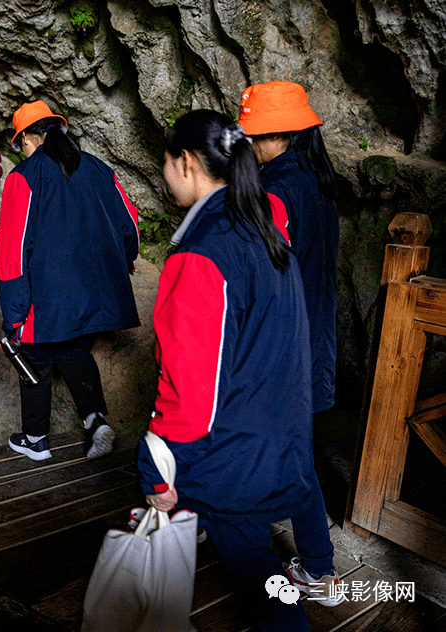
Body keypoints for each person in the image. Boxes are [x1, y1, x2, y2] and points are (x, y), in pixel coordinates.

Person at [136, 110, 321, 631]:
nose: (165, 173)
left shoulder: (200, 254)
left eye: (166, 162)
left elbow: (189, 388)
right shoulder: (264, 232)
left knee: (260, 578)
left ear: (188, 162)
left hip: (231, 454)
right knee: (254, 564)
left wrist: (155, 461)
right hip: (274, 438)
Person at [238, 80, 344, 605]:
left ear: (274, 137)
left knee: (269, 450)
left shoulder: (275, 191)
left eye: (252, 135)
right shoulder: (318, 182)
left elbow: (261, 277)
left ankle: (306, 571)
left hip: (279, 349)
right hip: (315, 339)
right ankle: (319, 570)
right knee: (292, 452)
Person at [0, 100, 140, 461]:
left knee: (34, 358)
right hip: (95, 294)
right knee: (74, 350)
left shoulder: (23, 176)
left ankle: (35, 439)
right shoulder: (98, 168)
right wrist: (123, 264)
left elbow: (13, 253)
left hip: (46, 296)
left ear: (30, 135)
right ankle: (95, 420)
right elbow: (130, 225)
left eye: (21, 144)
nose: (22, 152)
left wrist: (13, 314)